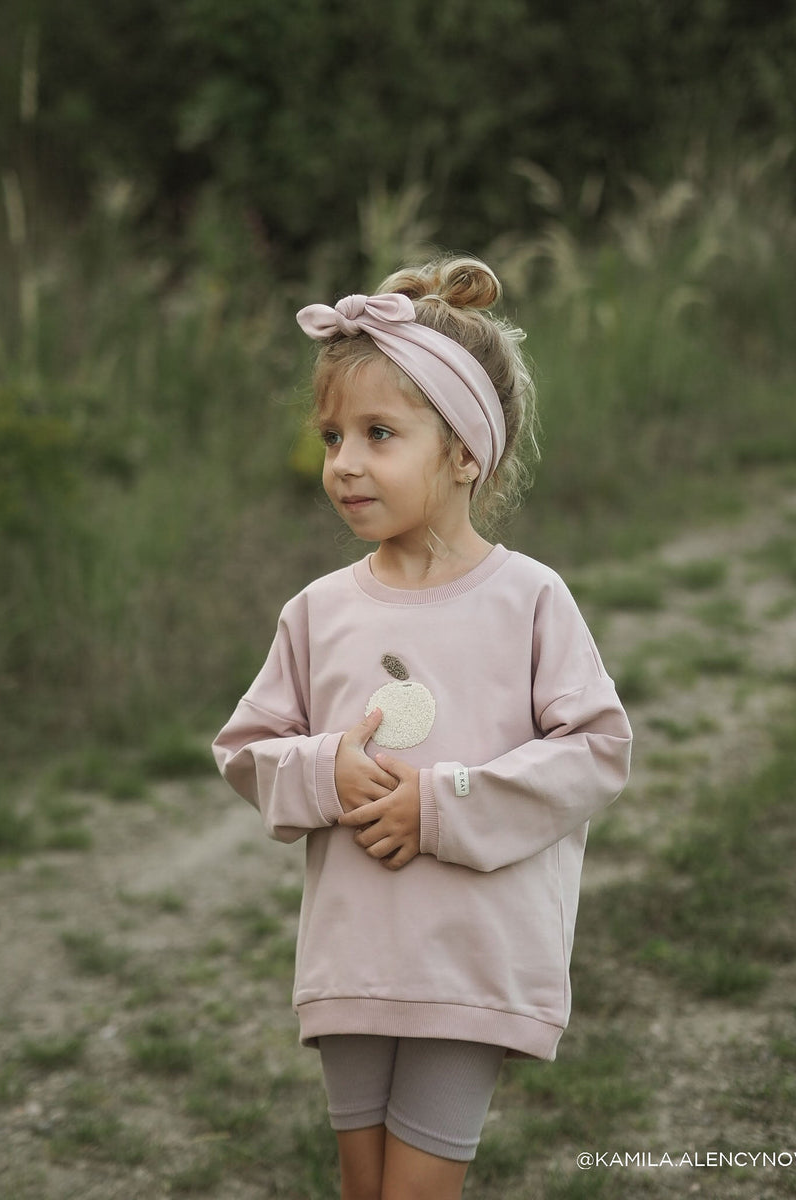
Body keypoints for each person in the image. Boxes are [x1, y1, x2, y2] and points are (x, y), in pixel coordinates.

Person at [212, 255, 632, 1200]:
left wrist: (441, 808)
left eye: (379, 433)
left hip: (469, 966)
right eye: (331, 436)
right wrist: (324, 770)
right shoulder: (318, 610)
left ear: (465, 453)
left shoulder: (527, 600)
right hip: (355, 958)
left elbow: (597, 751)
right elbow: (246, 751)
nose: (345, 462)